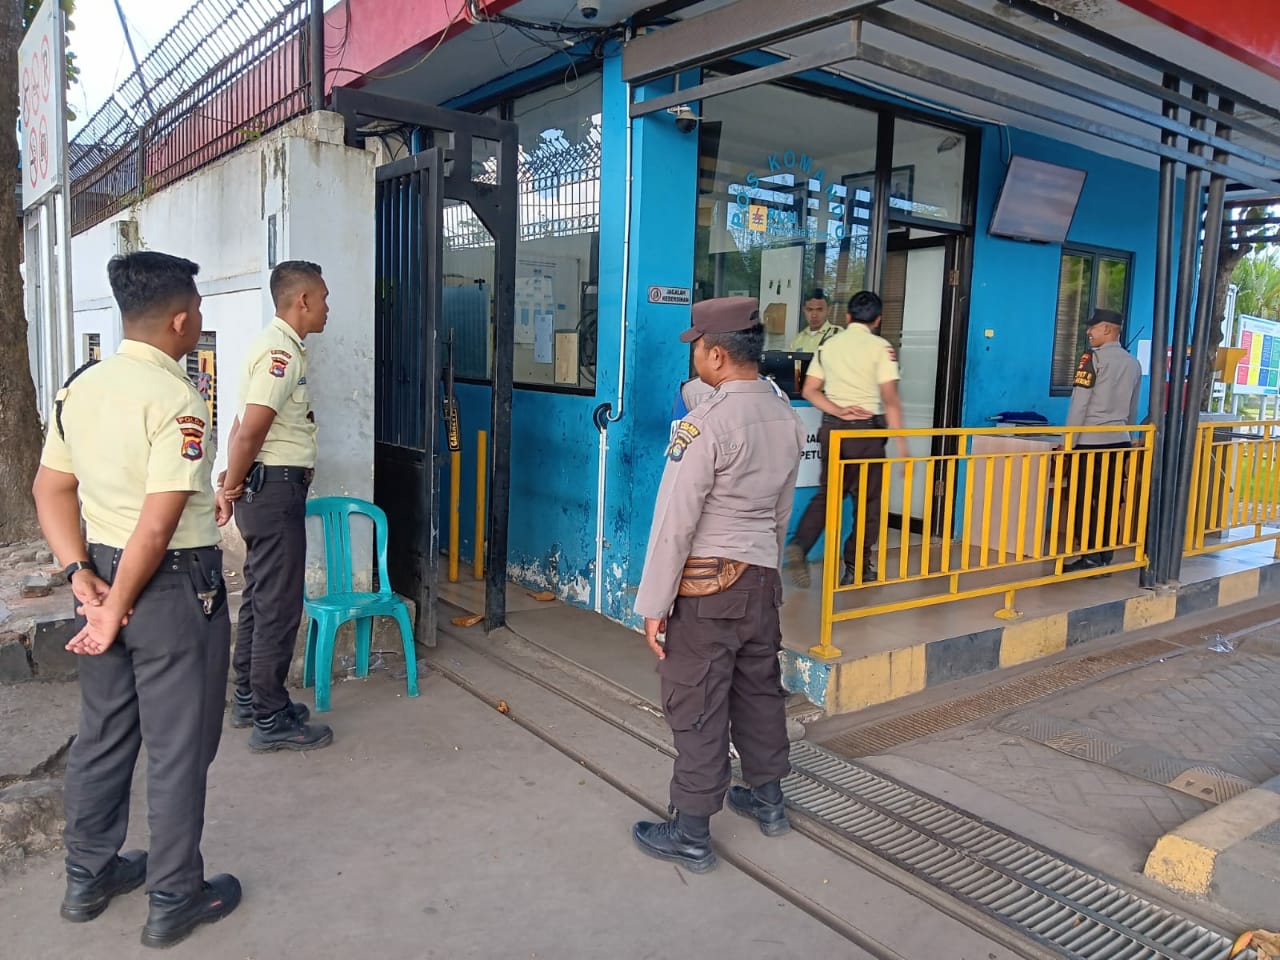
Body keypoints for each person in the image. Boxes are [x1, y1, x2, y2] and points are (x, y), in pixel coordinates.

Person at [32, 251, 240, 948]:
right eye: (199, 310)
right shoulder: (177, 399)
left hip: (99, 574)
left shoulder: (81, 388)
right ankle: (175, 897)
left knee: (104, 732)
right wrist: (117, 605)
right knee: (179, 746)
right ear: (180, 321)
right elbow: (158, 524)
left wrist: (79, 576)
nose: (199, 320)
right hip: (169, 586)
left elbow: (50, 489)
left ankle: (87, 877)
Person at [631, 296, 806, 874]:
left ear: (715, 355)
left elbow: (675, 521)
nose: (696, 360)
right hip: (760, 581)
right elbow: (781, 512)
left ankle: (690, 833)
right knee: (758, 692)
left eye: (698, 350)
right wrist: (765, 572)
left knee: (698, 704)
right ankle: (768, 800)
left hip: (708, 591)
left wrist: (654, 604)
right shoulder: (786, 416)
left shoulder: (705, 425)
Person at [220, 261, 332, 751]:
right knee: (279, 605)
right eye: (323, 297)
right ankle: (270, 716)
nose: (327, 307)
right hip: (275, 490)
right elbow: (251, 428)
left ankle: (249, 697)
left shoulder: (271, 345)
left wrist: (231, 479)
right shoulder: (280, 353)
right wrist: (230, 485)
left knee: (262, 596)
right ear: (302, 300)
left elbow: (240, 423)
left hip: (265, 488)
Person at [785, 290, 909, 588]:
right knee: (868, 504)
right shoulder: (881, 348)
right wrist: (903, 445)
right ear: (877, 320)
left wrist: (838, 410)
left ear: (848, 316)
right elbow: (890, 399)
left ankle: (800, 543)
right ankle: (856, 566)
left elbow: (809, 390)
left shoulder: (829, 345)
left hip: (833, 431)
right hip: (866, 434)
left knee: (828, 494)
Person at [1062, 309, 1142, 574]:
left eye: (1093, 327)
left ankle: (1089, 556)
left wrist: (1068, 441)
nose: (1089, 332)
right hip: (1119, 441)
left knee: (1084, 500)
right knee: (1110, 500)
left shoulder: (1091, 359)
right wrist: (1130, 437)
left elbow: (1079, 404)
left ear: (1107, 329)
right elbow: (1132, 408)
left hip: (1090, 443)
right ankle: (1105, 556)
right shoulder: (1133, 364)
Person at [789, 288, 842, 353]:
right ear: (804, 310)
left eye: (819, 310)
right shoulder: (798, 339)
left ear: (828, 310)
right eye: (810, 310)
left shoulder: (838, 335)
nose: (814, 315)